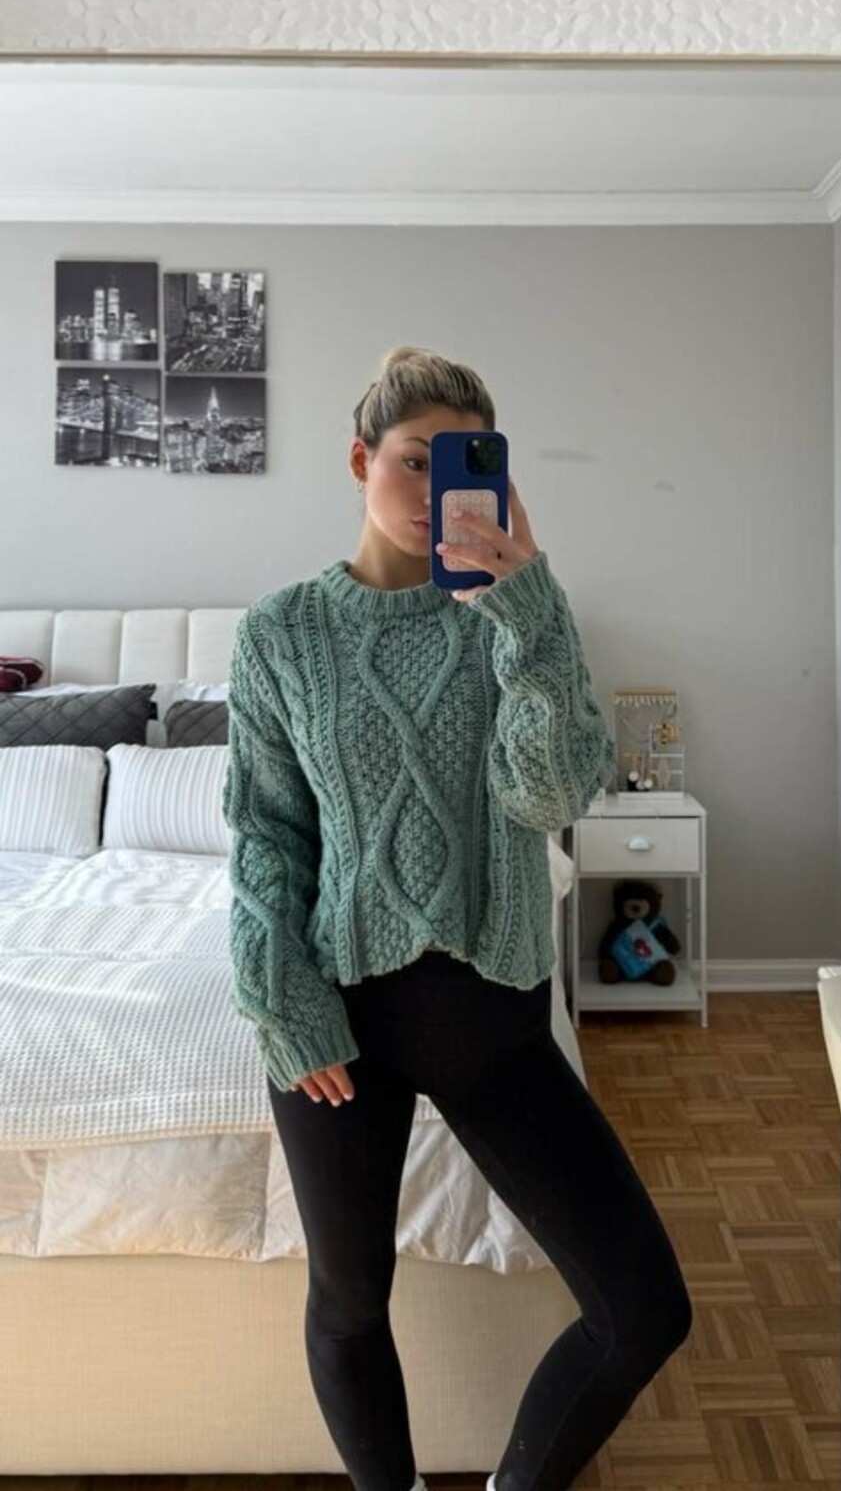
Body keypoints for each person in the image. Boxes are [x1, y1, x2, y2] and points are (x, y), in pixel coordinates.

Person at [223, 345, 693, 1491]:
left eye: (463, 463)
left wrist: (526, 612)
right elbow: (267, 837)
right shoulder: (281, 631)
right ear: (359, 462)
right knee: (347, 1299)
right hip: (338, 1021)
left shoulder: (517, 613)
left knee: (644, 1307)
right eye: (413, 459)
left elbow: (553, 795)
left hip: (491, 1012)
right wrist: (283, 1004)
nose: (436, 487)